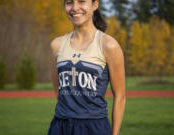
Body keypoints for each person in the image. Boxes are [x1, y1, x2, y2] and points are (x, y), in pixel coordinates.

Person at [48, 0, 126, 135]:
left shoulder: (109, 45)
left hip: (94, 127)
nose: (74, 8)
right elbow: (59, 92)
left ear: (95, 4)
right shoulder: (56, 45)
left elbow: (120, 96)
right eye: (69, 3)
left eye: (81, 1)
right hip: (60, 126)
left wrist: (115, 133)